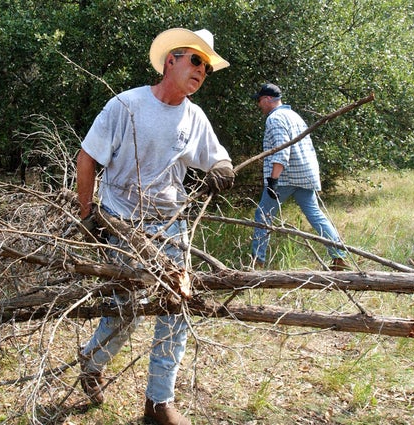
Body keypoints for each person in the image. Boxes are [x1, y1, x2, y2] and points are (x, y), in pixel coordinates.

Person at [75, 28, 234, 425]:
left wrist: (222, 171)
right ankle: (92, 361)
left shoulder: (194, 116)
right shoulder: (126, 105)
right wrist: (87, 215)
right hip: (123, 224)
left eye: (207, 67)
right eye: (196, 61)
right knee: (123, 311)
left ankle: (159, 403)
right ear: (171, 61)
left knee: (176, 305)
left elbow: (217, 158)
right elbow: (87, 158)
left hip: (169, 224)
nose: (201, 71)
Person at [248, 83, 349, 271]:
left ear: (268, 99)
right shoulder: (294, 116)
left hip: (286, 177)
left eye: (260, 100)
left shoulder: (275, 119)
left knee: (262, 216)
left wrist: (272, 181)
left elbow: (281, 150)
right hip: (305, 175)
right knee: (315, 215)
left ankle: (257, 262)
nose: (259, 105)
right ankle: (338, 256)